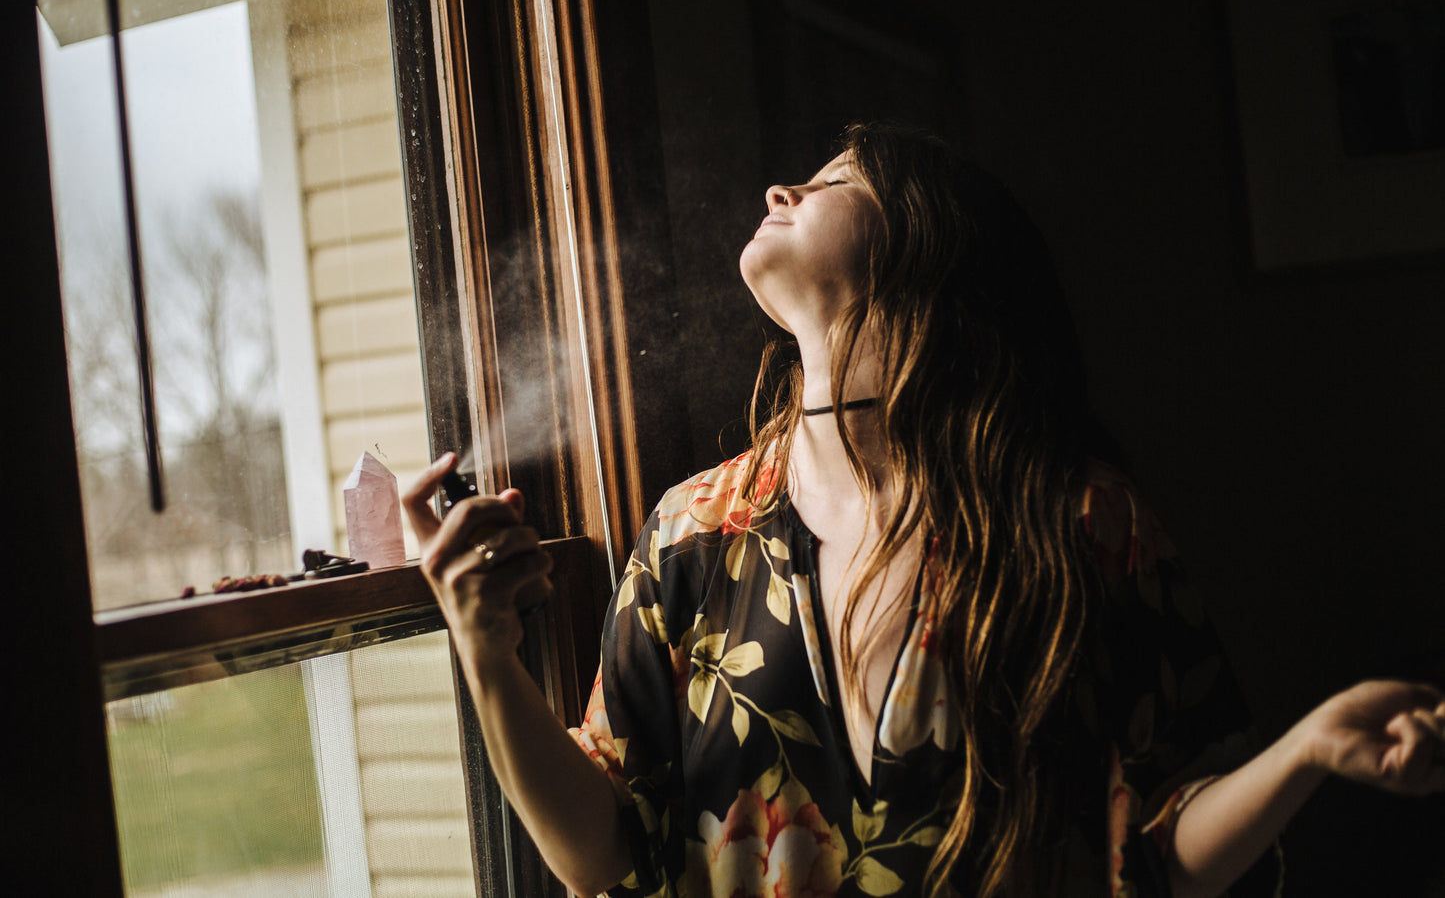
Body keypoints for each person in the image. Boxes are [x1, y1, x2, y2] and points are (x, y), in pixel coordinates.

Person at [402, 122, 1445, 898]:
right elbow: (597, 853)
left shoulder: (1076, 524)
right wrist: (483, 646)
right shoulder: (688, 535)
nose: (780, 187)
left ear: (930, 253)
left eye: (832, 182)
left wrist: (1308, 747)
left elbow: (1165, 846)